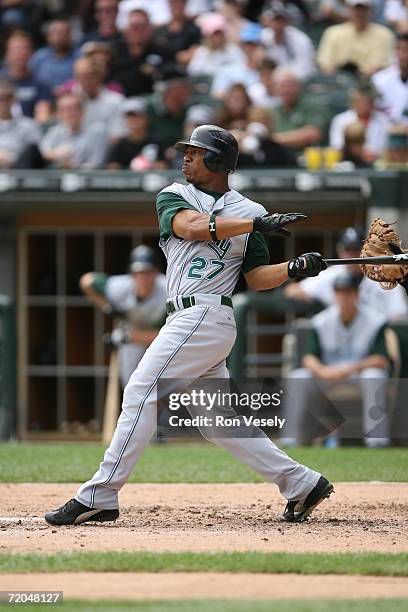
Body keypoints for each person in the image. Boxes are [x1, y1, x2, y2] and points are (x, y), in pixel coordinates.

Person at [44, 123, 334, 527]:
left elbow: (256, 277)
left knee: (142, 391)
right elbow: (192, 227)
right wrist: (257, 225)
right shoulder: (176, 195)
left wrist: (294, 267)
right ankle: (302, 484)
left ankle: (100, 494)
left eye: (195, 152)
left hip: (208, 314)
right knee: (218, 423)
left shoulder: (251, 211)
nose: (186, 157)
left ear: (217, 159)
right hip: (187, 316)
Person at [282, 273, 391, 448]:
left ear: (356, 294)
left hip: (358, 374)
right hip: (329, 375)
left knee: (374, 375)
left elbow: (381, 359)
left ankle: (377, 441)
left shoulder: (375, 320)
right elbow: (309, 358)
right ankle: (291, 440)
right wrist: (323, 371)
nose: (344, 297)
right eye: (340, 292)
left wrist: (349, 369)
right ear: (334, 294)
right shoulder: (321, 320)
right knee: (299, 376)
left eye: (348, 292)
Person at [80, 245, 167, 388]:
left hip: (161, 344)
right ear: (132, 274)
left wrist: (126, 337)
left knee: (162, 389)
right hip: (131, 340)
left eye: (148, 272)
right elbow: (86, 281)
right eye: (139, 272)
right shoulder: (121, 286)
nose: (143, 277)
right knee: (131, 387)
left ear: (156, 272)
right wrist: (108, 307)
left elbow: (166, 335)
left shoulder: (167, 290)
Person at [284, 226, 408, 319]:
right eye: (348, 250)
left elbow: (398, 316)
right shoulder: (331, 275)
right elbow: (292, 290)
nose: (352, 255)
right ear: (340, 251)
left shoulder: (385, 278)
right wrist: (316, 303)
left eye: (356, 249)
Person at [317, 0, 395, 76]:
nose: (359, 13)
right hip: (337, 82)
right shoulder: (332, 33)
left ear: (370, 10)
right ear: (349, 9)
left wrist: (361, 76)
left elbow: (380, 66)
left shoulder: (384, 34)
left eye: (363, 9)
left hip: (370, 84)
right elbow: (325, 64)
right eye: (356, 9)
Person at [39, 92, 108, 169]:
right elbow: (42, 152)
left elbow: (96, 163)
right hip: (58, 177)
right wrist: (57, 153)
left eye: (72, 109)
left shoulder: (97, 130)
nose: (68, 113)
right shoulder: (55, 131)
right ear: (58, 114)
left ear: (82, 111)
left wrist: (73, 167)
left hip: (88, 178)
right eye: (63, 110)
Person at [66, 56, 125, 140]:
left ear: (99, 76)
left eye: (87, 76)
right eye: (78, 76)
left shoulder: (116, 101)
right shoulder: (70, 99)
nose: (83, 81)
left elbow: (117, 135)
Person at [0, 30, 53, 122]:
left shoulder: (41, 83)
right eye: (15, 49)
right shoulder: (1, 79)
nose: (20, 53)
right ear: (7, 54)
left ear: (31, 53)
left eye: (24, 49)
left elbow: (43, 117)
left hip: (30, 131)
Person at [329, 82, 389, 161]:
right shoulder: (340, 120)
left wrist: (374, 154)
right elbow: (337, 146)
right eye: (368, 100)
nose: (372, 103)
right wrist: (360, 153)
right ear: (356, 100)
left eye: (373, 100)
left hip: (376, 163)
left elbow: (386, 147)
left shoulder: (382, 119)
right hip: (348, 163)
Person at [272, 69, 328, 152]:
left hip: (306, 157)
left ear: (298, 86)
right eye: (281, 86)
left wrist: (273, 140)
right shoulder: (274, 110)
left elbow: (313, 134)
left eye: (289, 85)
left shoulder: (313, 104)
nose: (285, 90)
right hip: (281, 157)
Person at [106, 97, 167, 170]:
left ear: (146, 118)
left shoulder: (157, 142)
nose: (134, 120)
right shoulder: (120, 145)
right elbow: (112, 170)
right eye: (130, 116)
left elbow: (162, 168)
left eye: (139, 116)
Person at [260, 1, 315, 80]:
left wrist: (281, 77)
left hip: (294, 81)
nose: (277, 24)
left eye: (281, 20)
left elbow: (305, 69)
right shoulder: (263, 37)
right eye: (275, 20)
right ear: (269, 22)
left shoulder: (301, 40)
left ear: (287, 21)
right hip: (271, 81)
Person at [211, 21, 266, 98]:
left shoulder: (270, 71)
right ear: (243, 46)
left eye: (256, 45)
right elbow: (217, 94)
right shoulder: (228, 70)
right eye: (248, 44)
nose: (251, 48)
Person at [187, 12, 245, 77]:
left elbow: (243, 70)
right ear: (207, 36)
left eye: (220, 33)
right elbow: (193, 74)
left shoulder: (234, 50)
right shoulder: (201, 52)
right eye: (215, 33)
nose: (218, 37)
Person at [0, 79, 41, 168]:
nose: (3, 102)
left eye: (8, 97)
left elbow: (35, 153)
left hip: (20, 171)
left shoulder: (28, 125)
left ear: (14, 99)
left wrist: (11, 158)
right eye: (0, 98)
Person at [31, 18, 80, 90]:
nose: (58, 37)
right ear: (48, 36)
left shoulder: (79, 57)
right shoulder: (39, 57)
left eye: (62, 33)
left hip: (71, 97)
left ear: (70, 36)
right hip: (44, 97)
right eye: (54, 33)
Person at [372, 33, 408, 123]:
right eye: (400, 49)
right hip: (385, 132)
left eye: (407, 50)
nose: (403, 55)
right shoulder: (379, 79)